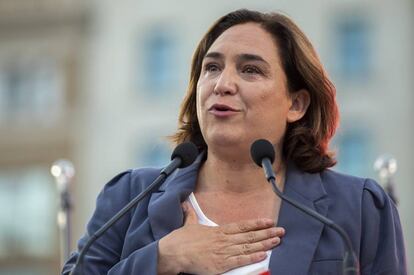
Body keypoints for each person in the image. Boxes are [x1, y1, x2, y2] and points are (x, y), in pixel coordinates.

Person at [62, 9, 407, 275]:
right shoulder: (129, 196)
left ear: (296, 104)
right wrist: (163, 258)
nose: (222, 84)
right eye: (211, 68)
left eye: (250, 70)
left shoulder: (360, 208)